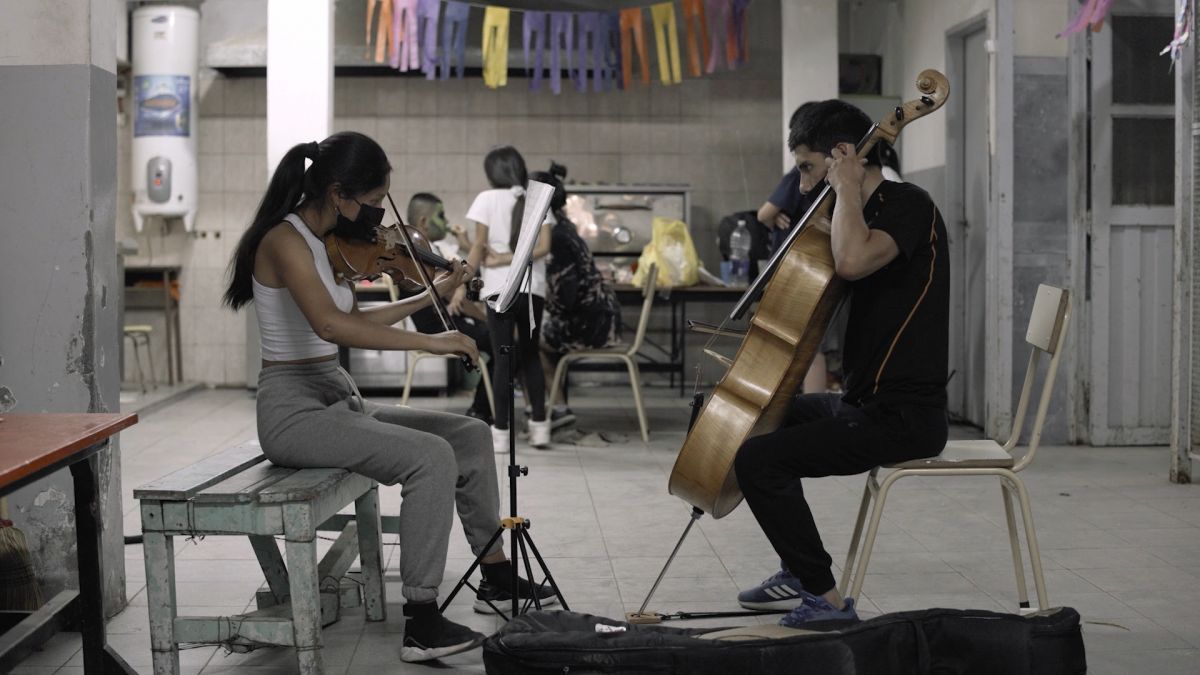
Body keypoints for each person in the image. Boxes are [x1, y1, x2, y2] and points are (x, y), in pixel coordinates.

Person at [221, 132, 553, 663]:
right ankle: (421, 620)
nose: (378, 216)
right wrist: (431, 340)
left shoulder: (327, 242)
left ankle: (494, 575)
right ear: (338, 194)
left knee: (467, 434)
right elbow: (331, 327)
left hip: (334, 398)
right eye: (373, 203)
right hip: (292, 412)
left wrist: (429, 296)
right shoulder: (283, 241)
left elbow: (353, 317)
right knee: (430, 457)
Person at [733, 100, 950, 627]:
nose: (803, 186)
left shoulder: (908, 204)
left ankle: (824, 600)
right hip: (860, 402)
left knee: (761, 461)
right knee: (737, 416)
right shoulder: (854, 212)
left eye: (808, 168)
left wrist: (846, 187)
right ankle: (796, 565)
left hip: (904, 418)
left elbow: (852, 261)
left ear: (842, 157)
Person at [460, 146, 553, 451]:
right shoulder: (538, 197)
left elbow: (480, 246)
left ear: (492, 172)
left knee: (503, 357)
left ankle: (500, 433)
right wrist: (514, 258)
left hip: (499, 287)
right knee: (529, 355)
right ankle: (540, 428)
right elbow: (544, 248)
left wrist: (465, 275)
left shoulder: (485, 200)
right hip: (532, 287)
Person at [531, 167, 621, 422]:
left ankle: (555, 410)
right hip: (596, 317)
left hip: (589, 325)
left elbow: (565, 298)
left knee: (526, 343)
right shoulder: (564, 227)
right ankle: (547, 408)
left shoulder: (557, 238)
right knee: (528, 336)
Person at [405, 192, 495, 425]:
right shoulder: (415, 254)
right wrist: (484, 318)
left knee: (502, 340)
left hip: (450, 320)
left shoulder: (432, 249)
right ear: (424, 222)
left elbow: (459, 284)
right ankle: (482, 411)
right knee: (502, 343)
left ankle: (487, 408)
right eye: (441, 216)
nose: (445, 222)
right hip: (438, 327)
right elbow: (452, 296)